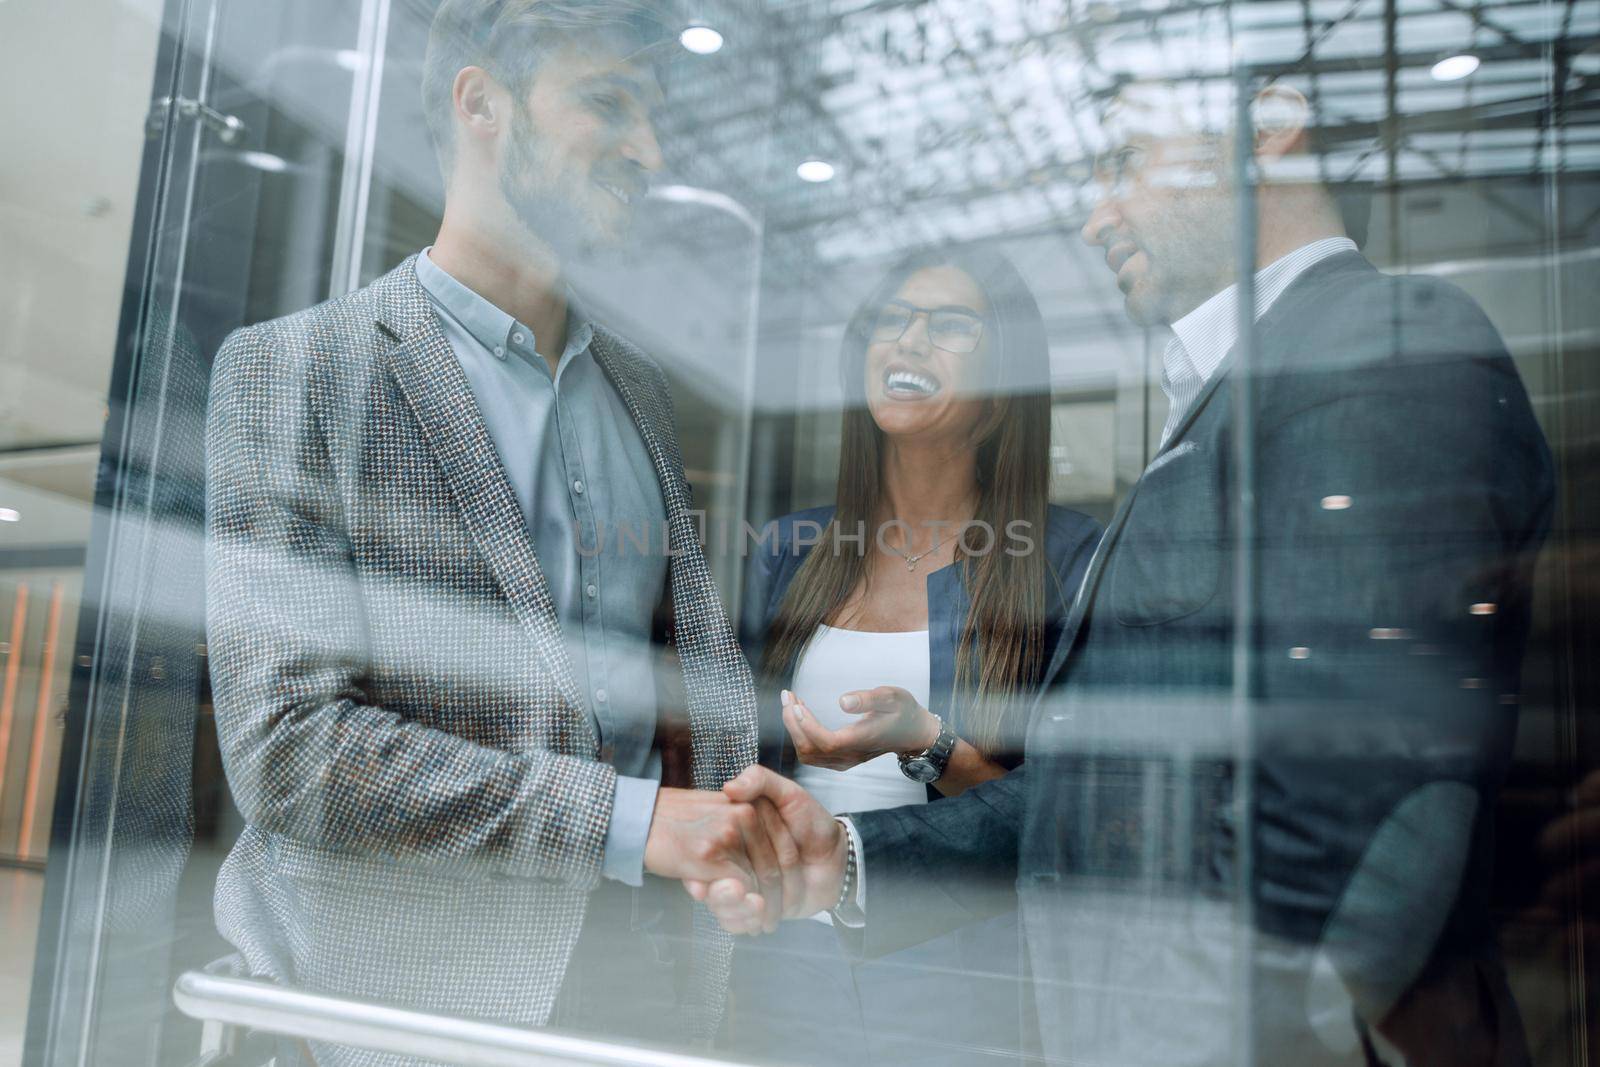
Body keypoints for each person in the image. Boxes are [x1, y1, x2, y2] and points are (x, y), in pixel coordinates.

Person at [701, 76, 1556, 1067]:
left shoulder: (1376, 351)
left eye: (1121, 161)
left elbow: (1362, 815)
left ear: (1270, 125)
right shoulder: (1237, 396)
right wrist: (843, 860)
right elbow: (1095, 797)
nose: (1096, 211)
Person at [203, 2, 790, 1061]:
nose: (648, 152)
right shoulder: (295, 369)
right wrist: (623, 822)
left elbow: (645, 700)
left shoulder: (640, 396)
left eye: (652, 119)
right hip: (386, 1011)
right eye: (608, 104)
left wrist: (741, 804)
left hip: (640, 987)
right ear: (482, 103)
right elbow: (287, 748)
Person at [724, 246, 1100, 1064]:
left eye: (951, 325)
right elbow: (729, 751)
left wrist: (926, 743)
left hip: (964, 968)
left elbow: (1073, 809)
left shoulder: (1066, 558)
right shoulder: (792, 548)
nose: (910, 341)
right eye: (891, 321)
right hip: (786, 955)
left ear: (1005, 384)